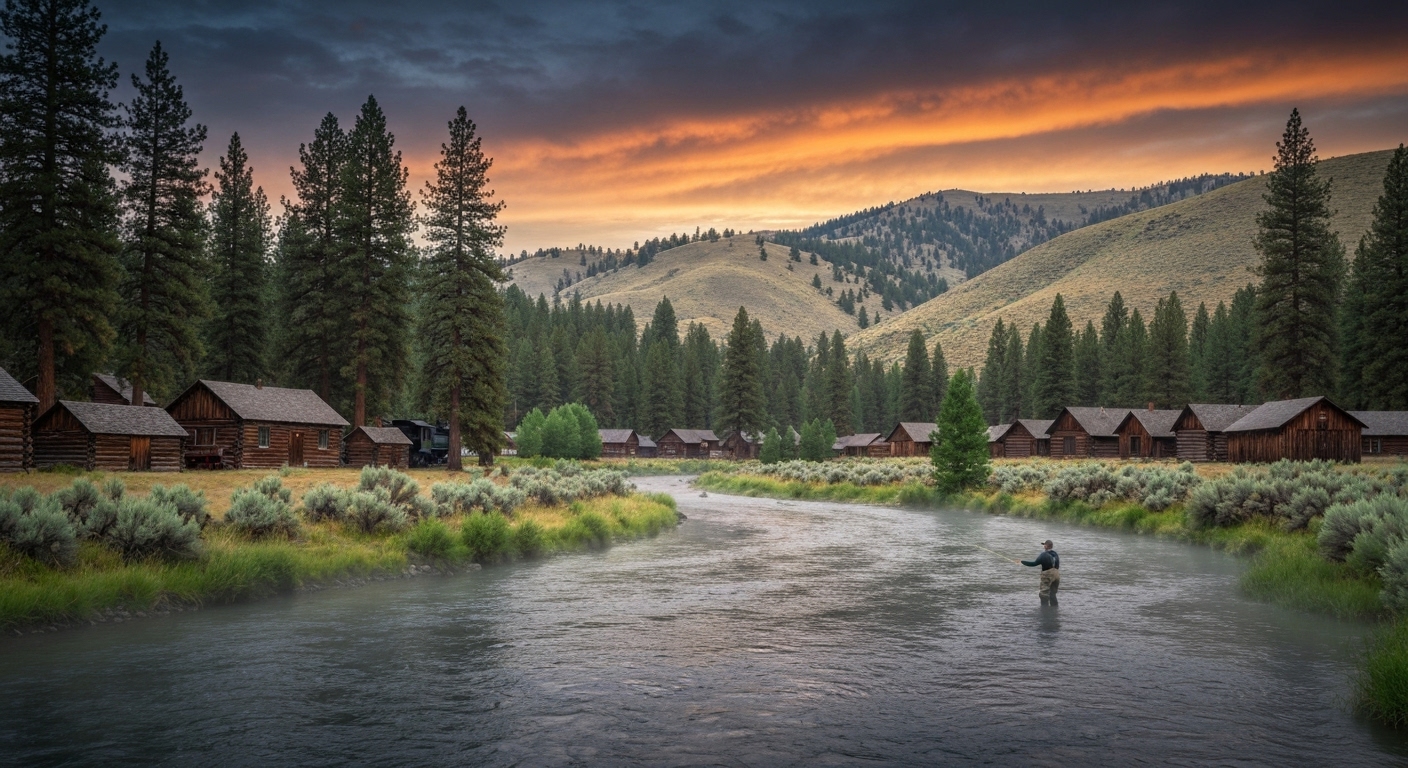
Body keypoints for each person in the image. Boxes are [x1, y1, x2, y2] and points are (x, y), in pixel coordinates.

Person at [1021, 540, 1060, 605]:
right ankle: (1054, 608)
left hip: (1048, 574)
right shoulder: (1055, 554)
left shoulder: (1043, 554)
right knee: (1053, 593)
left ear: (1046, 546)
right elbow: (1057, 565)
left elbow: (1034, 564)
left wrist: (1022, 562)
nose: (1043, 546)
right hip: (1057, 575)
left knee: (1043, 594)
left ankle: (1044, 609)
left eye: (1044, 545)